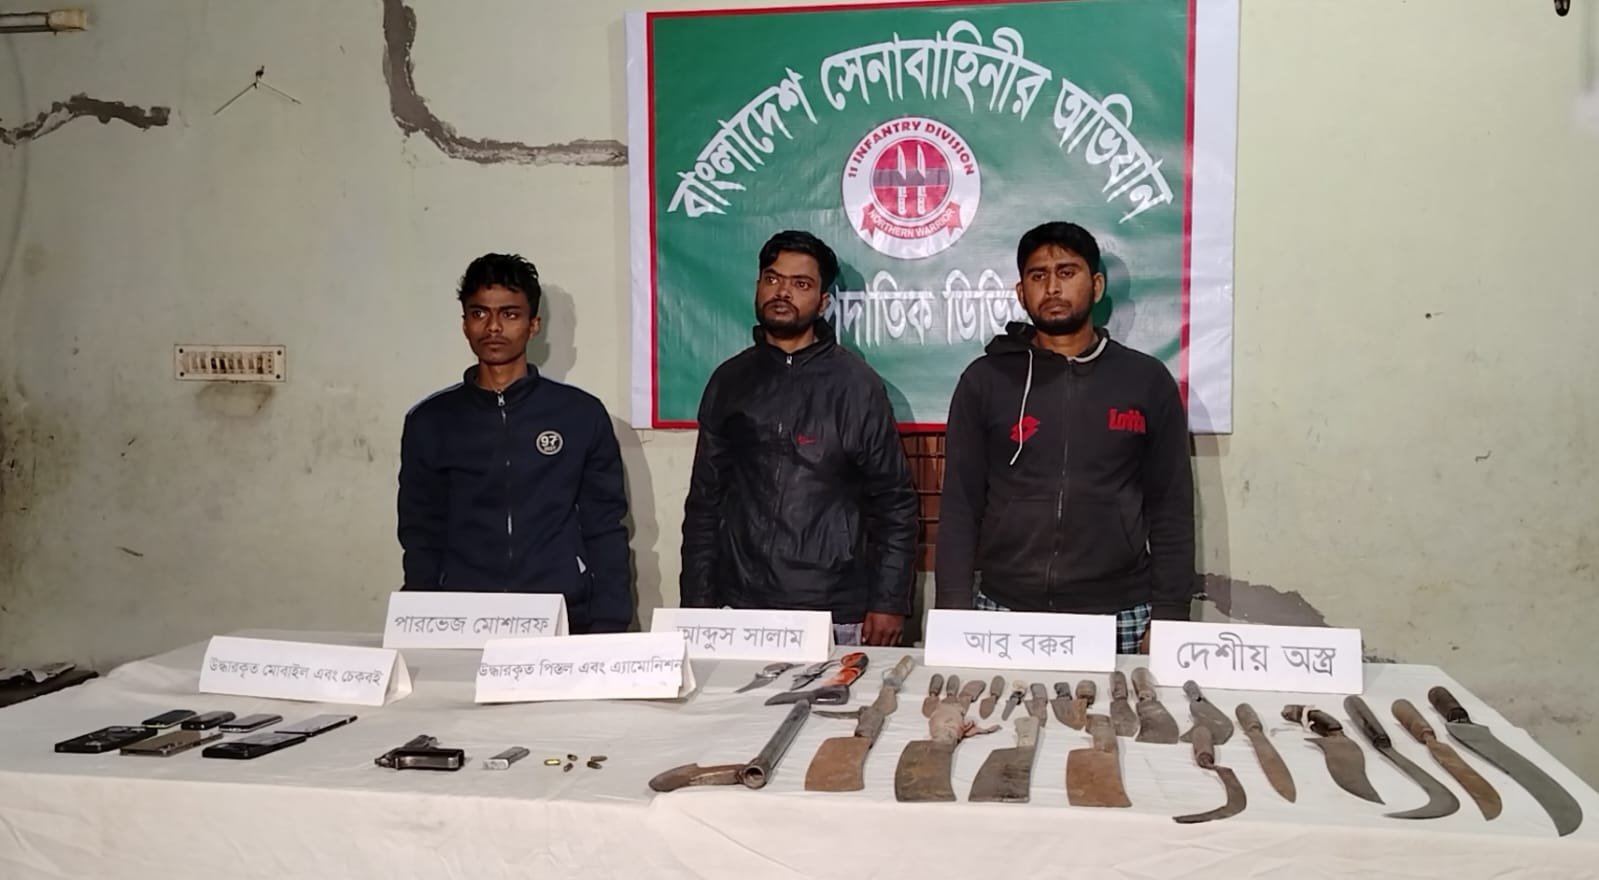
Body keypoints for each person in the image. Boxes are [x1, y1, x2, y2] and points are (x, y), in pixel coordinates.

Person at [934, 221, 1195, 652]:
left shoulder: (1146, 381)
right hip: (1005, 608)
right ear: (1022, 293)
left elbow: (1172, 507)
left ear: (1097, 285)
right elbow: (961, 503)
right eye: (1038, 276)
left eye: (1067, 272)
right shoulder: (985, 381)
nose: (1052, 287)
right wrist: (952, 608)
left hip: (1120, 612)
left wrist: (1170, 614)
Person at [680, 230, 919, 646]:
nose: (783, 292)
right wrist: (697, 601)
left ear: (823, 302)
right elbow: (704, 503)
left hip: (834, 612)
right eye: (773, 279)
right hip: (740, 606)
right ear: (758, 286)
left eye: (801, 283)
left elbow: (894, 503)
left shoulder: (856, 386)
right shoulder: (729, 382)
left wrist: (889, 601)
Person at [397, 253, 633, 634]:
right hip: (461, 619)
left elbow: (605, 527)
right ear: (464, 323)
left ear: (533, 324)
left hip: (562, 616)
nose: (493, 327)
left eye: (509, 314)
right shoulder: (430, 422)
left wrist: (610, 623)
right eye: (479, 313)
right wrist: (419, 618)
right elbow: (420, 533)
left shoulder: (580, 415)